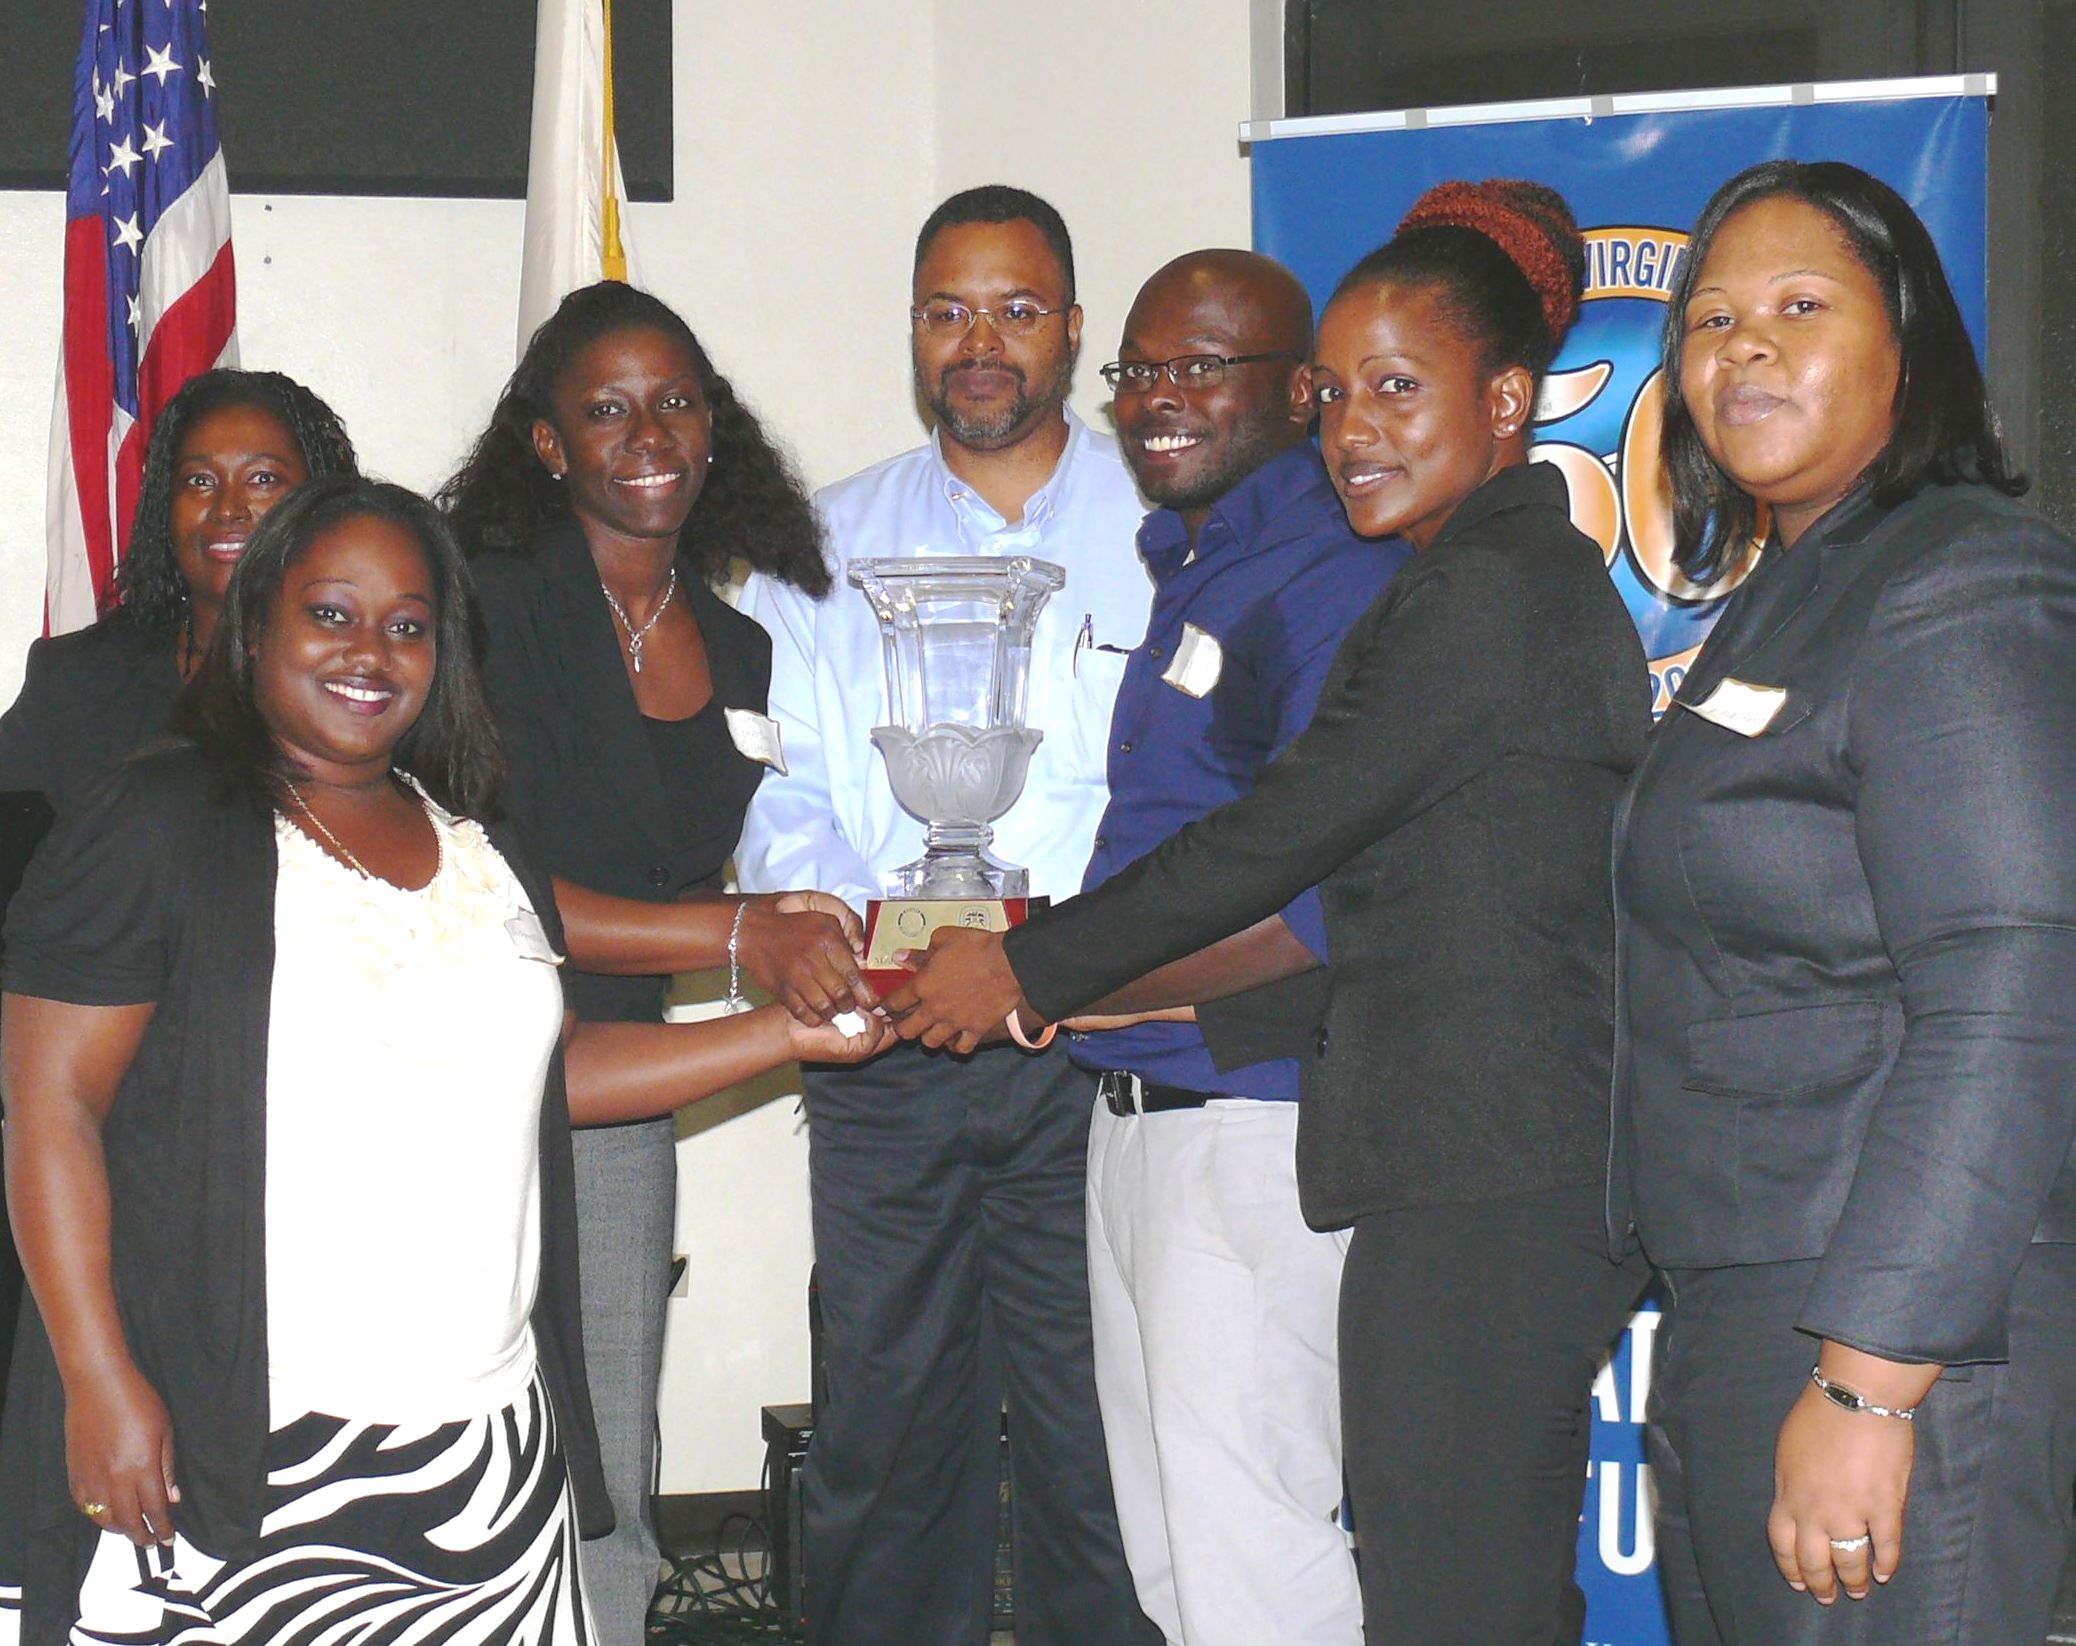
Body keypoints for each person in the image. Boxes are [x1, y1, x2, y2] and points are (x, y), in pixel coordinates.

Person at [887, 179, 1653, 1645]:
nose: (1358, 425)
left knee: (1415, 1590)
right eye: (1343, 392)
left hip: (1482, 1163)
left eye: (1395, 389)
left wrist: (1033, 970)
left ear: (1506, 401)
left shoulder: (1484, 592)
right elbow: (1363, 888)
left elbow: (1285, 842)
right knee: (1343, 1576)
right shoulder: (1450, 578)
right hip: (1417, 1148)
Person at [0, 477, 891, 1644]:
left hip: (489, 1462)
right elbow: (50, 1106)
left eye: (408, 624)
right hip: (249, 1452)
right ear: (258, 622)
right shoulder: (161, 819)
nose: (370, 650)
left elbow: (546, 1069)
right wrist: (98, 1376)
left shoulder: (475, 836)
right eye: (331, 613)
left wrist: (786, 1033)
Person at [1611, 159, 2076, 1646]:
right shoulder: (1799, 590)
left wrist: (1871, 1375)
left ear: (1911, 343)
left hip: (1896, 1327)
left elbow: (2012, 985)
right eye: (1710, 319)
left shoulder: (1960, 585)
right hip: (1759, 1302)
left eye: (1799, 306)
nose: (1740, 346)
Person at [734, 185, 1157, 1646]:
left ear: (1075, 332)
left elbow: (1186, 819)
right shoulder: (818, 546)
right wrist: (864, 937)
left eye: (1016, 309)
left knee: (1098, 1438)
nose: (980, 343)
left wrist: (1036, 959)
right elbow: (785, 797)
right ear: (915, 331)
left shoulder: (1169, 534)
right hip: (886, 1051)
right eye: (947, 311)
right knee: (884, 1436)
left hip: (1092, 1049)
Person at [439, 279, 877, 1641]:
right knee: (450, 1432)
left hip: (620, 1087)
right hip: (452, 1085)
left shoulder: (741, 645)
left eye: (677, 401)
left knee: (610, 1458)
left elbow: (689, 882)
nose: (651, 433)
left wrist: (813, 934)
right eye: (609, 409)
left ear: (714, 424)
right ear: (549, 443)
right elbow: (495, 889)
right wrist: (751, 930)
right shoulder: (480, 609)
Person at [1065, 248, 1407, 1646]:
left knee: (1253, 1554)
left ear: (1299, 389)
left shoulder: (1328, 574)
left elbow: (1317, 904)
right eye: (1137, 371)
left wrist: (1056, 979)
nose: (1157, 397)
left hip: (1250, 1123)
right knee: (1173, 1564)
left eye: (1199, 365)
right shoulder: (1196, 565)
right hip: (1136, 1119)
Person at [0, 369, 357, 814]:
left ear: (322, 502)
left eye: (263, 479)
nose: (228, 508)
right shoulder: (77, 680)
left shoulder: (368, 675)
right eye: (200, 481)